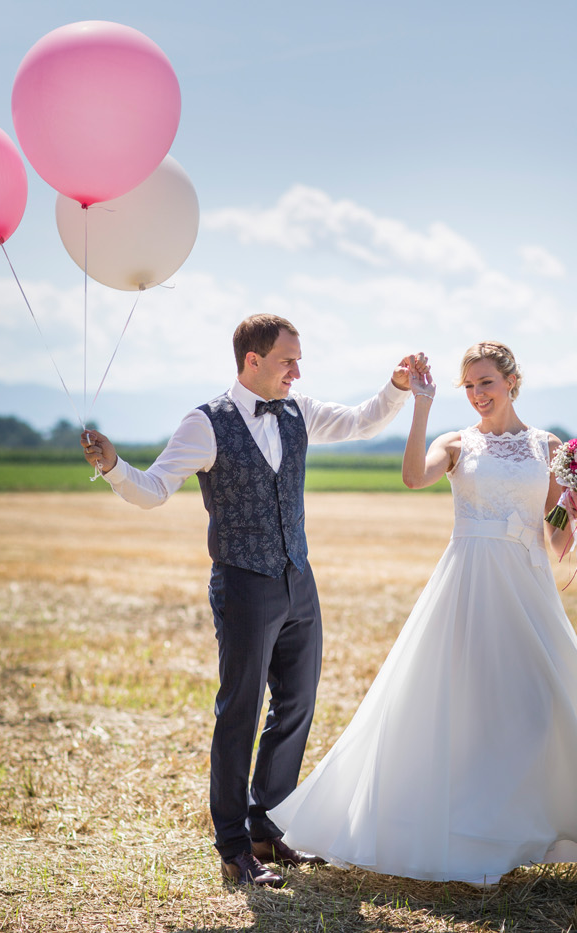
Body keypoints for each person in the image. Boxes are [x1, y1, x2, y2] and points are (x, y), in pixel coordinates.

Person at [268, 341, 577, 885]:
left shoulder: (549, 447)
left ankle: (524, 829)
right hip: (469, 581)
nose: (478, 394)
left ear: (512, 382)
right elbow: (414, 477)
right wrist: (422, 405)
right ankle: (465, 837)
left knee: (538, 707)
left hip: (527, 585)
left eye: (487, 382)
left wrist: (576, 503)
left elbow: (555, 540)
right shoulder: (457, 443)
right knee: (461, 705)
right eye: (470, 386)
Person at [81, 314, 422, 888]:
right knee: (239, 711)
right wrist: (113, 467)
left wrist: (396, 388)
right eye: (288, 361)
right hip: (242, 583)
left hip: (298, 579)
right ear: (252, 361)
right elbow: (154, 490)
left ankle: (268, 825)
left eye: (299, 361)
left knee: (298, 704)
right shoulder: (205, 423)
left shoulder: (298, 409)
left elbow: (363, 421)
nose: (297, 372)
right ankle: (234, 848)